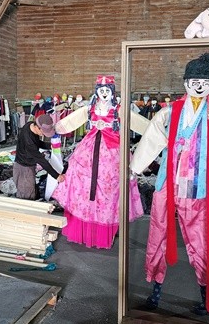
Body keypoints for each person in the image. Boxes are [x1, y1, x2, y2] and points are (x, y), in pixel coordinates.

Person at [130, 53, 209, 316]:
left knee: (199, 240)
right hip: (167, 183)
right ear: (185, 82)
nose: (199, 86)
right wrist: (134, 168)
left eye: (205, 83)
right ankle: (155, 291)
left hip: (196, 186)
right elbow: (151, 138)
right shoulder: (169, 112)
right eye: (195, 81)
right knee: (157, 234)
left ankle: (206, 295)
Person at [51, 75, 147, 249]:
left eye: (107, 90)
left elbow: (139, 123)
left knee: (110, 189)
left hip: (112, 152)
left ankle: (106, 228)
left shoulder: (119, 110)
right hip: (88, 150)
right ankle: (83, 227)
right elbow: (72, 120)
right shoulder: (90, 108)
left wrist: (156, 131)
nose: (104, 93)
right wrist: (55, 128)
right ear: (97, 92)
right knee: (83, 185)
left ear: (112, 92)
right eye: (101, 90)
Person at [13, 114, 65, 200]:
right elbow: (42, 161)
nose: (43, 135)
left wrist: (50, 145)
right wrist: (57, 176)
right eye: (43, 132)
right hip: (24, 168)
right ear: (37, 127)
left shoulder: (30, 125)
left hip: (28, 164)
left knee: (30, 190)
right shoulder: (29, 141)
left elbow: (37, 142)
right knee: (26, 196)